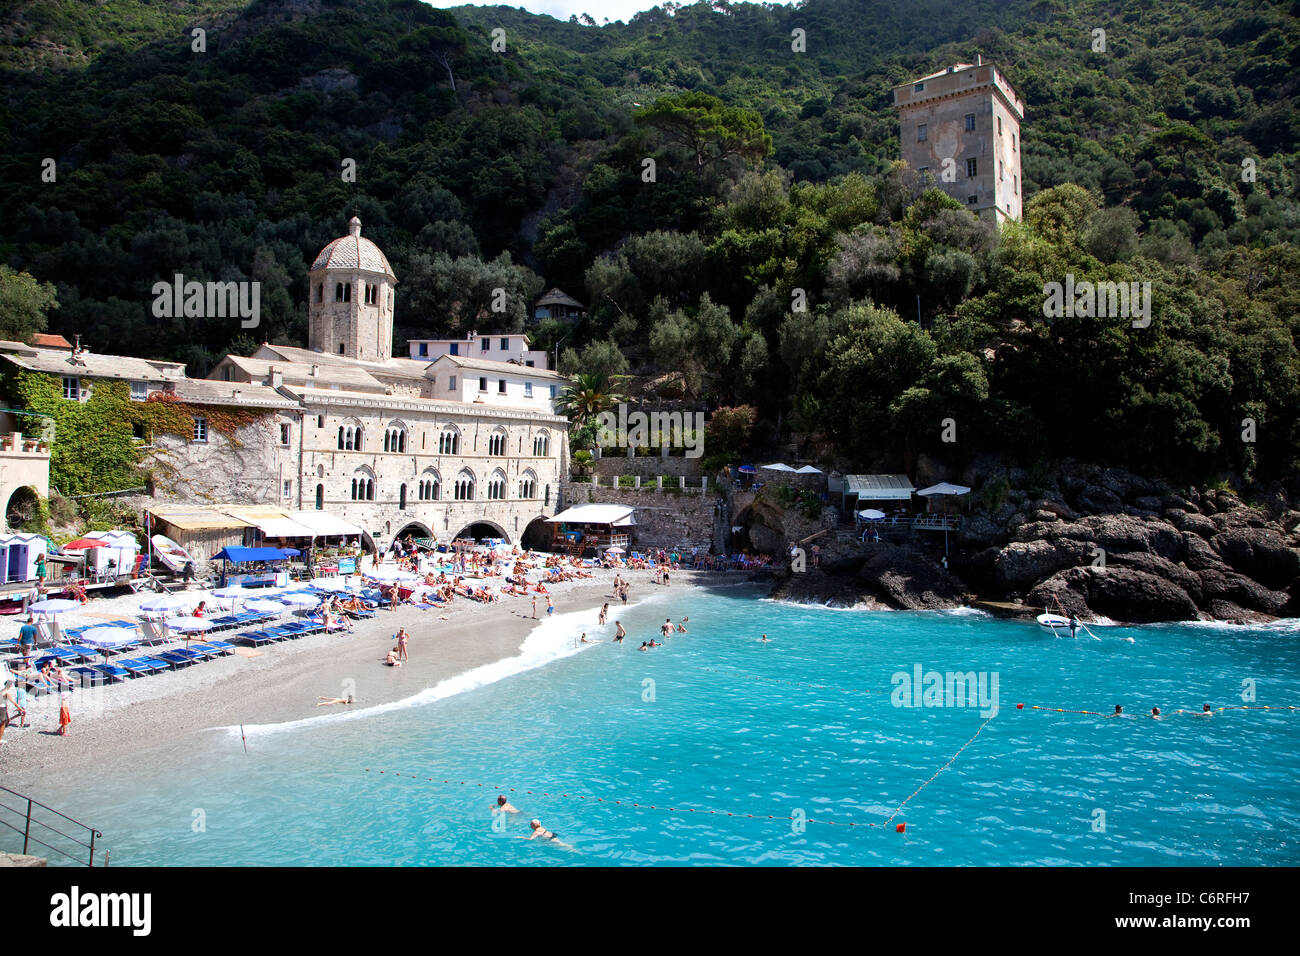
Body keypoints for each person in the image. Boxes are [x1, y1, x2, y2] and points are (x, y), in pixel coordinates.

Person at [0, 681, 25, 747]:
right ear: (10, 685)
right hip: (2, 709)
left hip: (3, 708)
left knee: (4, 722)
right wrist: (21, 709)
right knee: (3, 724)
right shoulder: (6, 693)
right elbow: (14, 702)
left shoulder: (1, 690)